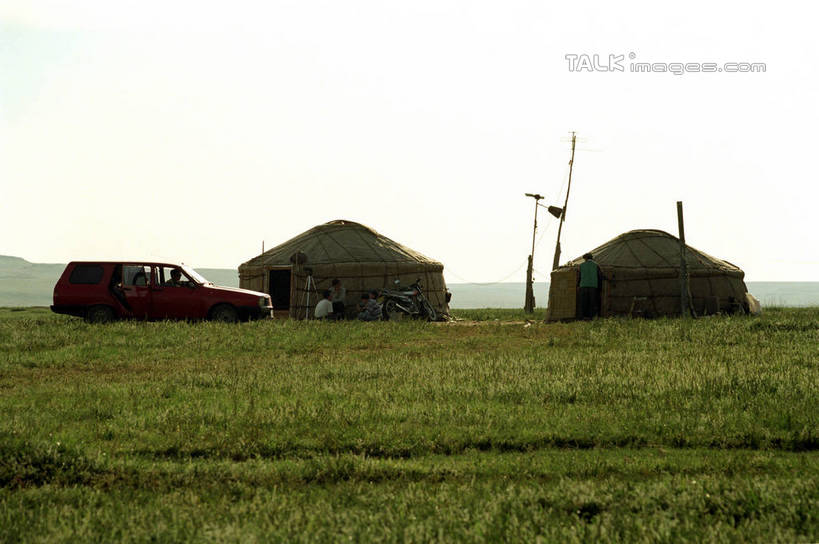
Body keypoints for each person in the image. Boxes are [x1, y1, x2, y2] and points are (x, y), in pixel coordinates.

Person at [578, 252, 603, 320]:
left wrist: (578, 285)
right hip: (593, 286)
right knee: (593, 302)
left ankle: (583, 317)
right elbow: (600, 276)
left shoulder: (581, 265)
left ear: (585, 258)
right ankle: (592, 317)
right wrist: (600, 287)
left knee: (584, 302)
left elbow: (579, 276)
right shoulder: (596, 265)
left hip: (583, 285)